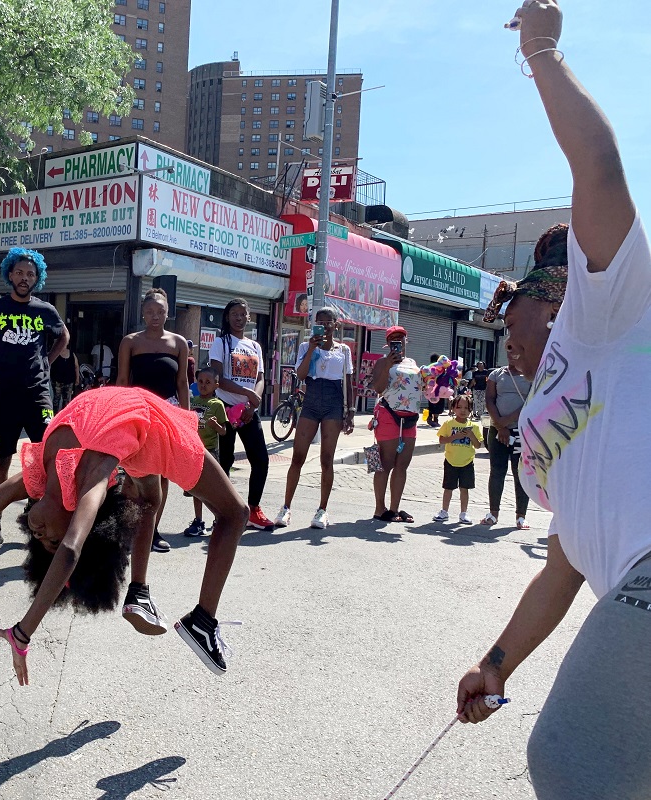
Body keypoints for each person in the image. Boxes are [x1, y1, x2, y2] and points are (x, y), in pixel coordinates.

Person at [454, 5, 651, 797]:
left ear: (555, 293)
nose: (507, 331)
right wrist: (495, 663)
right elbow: (565, 564)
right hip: (624, 589)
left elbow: (599, 167)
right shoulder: (541, 420)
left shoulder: (604, 313)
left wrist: (540, 48)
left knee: (571, 758)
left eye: (516, 311)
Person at [0, 386, 250, 678]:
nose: (37, 531)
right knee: (224, 511)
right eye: (51, 538)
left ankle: (163, 603)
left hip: (133, 415)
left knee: (166, 502)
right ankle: (189, 616)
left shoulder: (43, 473)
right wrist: (10, 626)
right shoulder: (90, 477)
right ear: (75, 512)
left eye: (40, 539)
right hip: (146, 423)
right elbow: (69, 549)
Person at [0, 247, 69, 551]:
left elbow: (64, 336)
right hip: (4, 395)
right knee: (1, 462)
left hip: (38, 394)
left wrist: (48, 359)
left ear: (38, 278)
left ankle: (40, 517)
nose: (25, 278)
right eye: (20, 272)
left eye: (31, 274)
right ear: (10, 274)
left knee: (47, 458)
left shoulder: (45, 310)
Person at [116, 287, 190, 553]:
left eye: (160, 311)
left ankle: (152, 531)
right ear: (143, 313)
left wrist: (186, 420)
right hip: (137, 412)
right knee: (132, 474)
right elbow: (123, 381)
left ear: (167, 313)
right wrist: (119, 416)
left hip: (168, 414)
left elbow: (182, 383)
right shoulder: (130, 341)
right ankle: (123, 529)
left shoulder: (178, 343)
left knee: (163, 476)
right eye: (149, 311)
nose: (155, 316)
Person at [275, 307, 355, 530]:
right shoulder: (305, 345)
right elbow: (300, 375)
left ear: (336, 325)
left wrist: (350, 412)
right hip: (311, 400)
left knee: (326, 459)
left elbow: (348, 382)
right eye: (319, 322)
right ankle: (286, 507)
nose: (324, 326)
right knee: (297, 457)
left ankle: (322, 510)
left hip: (333, 403)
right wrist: (311, 348)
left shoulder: (344, 350)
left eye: (328, 322)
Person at [209, 298, 273, 531]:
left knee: (261, 461)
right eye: (234, 313)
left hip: (248, 412)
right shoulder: (221, 342)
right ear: (227, 317)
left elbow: (260, 379)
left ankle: (253, 510)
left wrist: (252, 405)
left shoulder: (255, 346)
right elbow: (218, 378)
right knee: (224, 461)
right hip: (224, 408)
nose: (239, 317)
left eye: (243, 314)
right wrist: (246, 393)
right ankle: (224, 512)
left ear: (249, 317)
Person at [370, 326, 420, 523]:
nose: (397, 343)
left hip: (410, 419)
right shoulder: (383, 362)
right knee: (385, 464)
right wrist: (387, 366)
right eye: (393, 340)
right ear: (388, 344)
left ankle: (394, 509)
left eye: (401, 339)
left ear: (406, 341)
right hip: (389, 416)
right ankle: (379, 508)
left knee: (402, 466)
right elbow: (379, 388)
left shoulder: (413, 363)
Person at [479, 362, 532, 529]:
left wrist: (507, 421)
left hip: (521, 430)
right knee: (497, 471)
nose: (511, 355)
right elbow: (489, 399)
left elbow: (532, 401)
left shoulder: (531, 374)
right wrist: (500, 425)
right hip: (497, 430)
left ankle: (521, 516)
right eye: (508, 352)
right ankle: (493, 513)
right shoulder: (496, 374)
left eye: (515, 351)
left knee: (520, 472)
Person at [183, 367, 227, 537]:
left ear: (216, 385)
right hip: (193, 449)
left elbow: (223, 431)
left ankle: (218, 518)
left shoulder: (217, 405)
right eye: (200, 382)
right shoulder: (192, 401)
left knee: (211, 489)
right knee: (195, 488)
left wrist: (216, 426)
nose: (203, 385)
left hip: (209, 450)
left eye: (208, 382)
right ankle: (198, 521)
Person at [432, 394, 483, 524]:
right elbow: (442, 440)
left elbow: (478, 445)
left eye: (466, 407)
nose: (462, 410)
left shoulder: (474, 426)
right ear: (453, 408)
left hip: (467, 462)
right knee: (448, 488)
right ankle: (444, 511)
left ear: (470, 410)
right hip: (450, 460)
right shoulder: (448, 424)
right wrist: (455, 436)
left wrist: (471, 435)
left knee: (464, 489)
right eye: (459, 407)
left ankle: (463, 513)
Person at [50, 343, 78, 412]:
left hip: (69, 380)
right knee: (56, 400)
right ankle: (55, 416)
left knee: (67, 401)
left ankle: (65, 416)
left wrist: (77, 378)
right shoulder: (55, 353)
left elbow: (76, 366)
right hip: (57, 381)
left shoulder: (72, 354)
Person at [424, 353, 446, 427]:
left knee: (431, 403)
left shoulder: (429, 368)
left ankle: (431, 418)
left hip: (430, 389)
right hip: (440, 389)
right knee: (439, 404)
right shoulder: (441, 368)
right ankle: (435, 419)